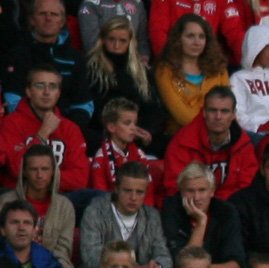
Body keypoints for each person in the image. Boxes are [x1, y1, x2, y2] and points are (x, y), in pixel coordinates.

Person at [0, 63, 91, 194]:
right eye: (40, 85)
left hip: (59, 197)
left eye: (52, 86)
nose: (46, 92)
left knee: (91, 197)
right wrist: (42, 134)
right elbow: (17, 170)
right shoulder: (11, 123)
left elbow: (79, 179)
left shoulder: (70, 128)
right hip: (20, 197)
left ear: (59, 93)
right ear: (28, 91)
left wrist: (42, 178)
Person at [2, 0, 93, 130]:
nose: (48, 18)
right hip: (25, 129)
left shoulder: (76, 58)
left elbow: (83, 104)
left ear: (62, 22)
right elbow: (13, 100)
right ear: (32, 20)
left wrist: (64, 128)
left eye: (54, 14)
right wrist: (42, 128)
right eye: (42, 13)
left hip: (66, 130)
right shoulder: (15, 55)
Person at [160, 163, 247, 268]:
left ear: (212, 191)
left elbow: (237, 263)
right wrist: (201, 222)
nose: (196, 197)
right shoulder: (171, 209)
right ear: (181, 191)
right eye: (190, 191)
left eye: (202, 190)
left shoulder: (226, 211)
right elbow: (183, 262)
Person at [82, 17, 166, 146]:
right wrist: (119, 131)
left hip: (138, 137)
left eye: (122, 41)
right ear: (103, 40)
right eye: (111, 39)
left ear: (130, 42)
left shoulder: (141, 72)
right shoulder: (90, 70)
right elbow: (90, 110)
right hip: (101, 137)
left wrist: (148, 131)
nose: (116, 46)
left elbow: (154, 109)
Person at [0, 145, 80, 268]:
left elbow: (63, 250)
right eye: (33, 169)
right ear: (24, 171)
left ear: (53, 171)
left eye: (45, 169)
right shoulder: (3, 203)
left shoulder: (65, 207)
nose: (39, 175)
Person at [81, 164, 169, 268]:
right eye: (127, 191)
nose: (133, 197)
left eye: (139, 192)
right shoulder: (95, 212)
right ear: (116, 189)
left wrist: (158, 267)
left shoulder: (152, 216)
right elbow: (90, 257)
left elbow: (163, 255)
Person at [153, 15, 231, 135]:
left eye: (201, 37)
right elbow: (181, 115)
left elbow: (228, 106)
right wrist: (213, 125)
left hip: (218, 135)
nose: (197, 42)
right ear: (178, 39)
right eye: (190, 36)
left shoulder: (219, 69)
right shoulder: (164, 70)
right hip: (181, 136)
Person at [87, 98, 161, 199]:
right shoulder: (101, 158)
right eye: (127, 123)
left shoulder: (140, 156)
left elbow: (148, 193)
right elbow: (100, 196)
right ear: (111, 127)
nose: (133, 128)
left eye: (135, 123)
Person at [231, 23, 269, 134]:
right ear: (257, 49)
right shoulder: (238, 78)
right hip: (255, 134)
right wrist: (258, 128)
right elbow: (238, 114)